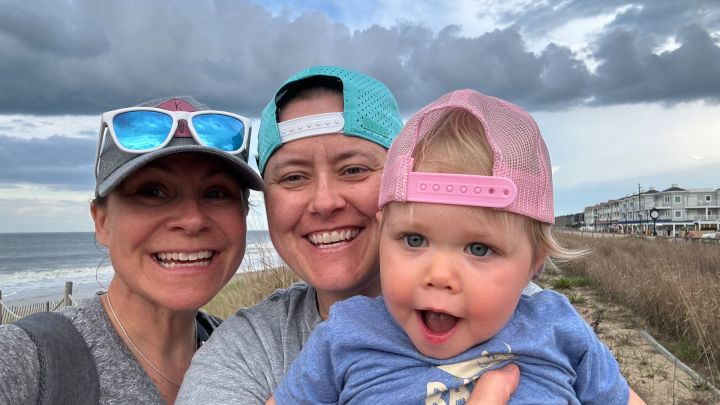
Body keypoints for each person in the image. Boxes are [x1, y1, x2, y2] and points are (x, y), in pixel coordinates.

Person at [178, 67, 531, 404]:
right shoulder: (245, 351)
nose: (325, 202)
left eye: (353, 169)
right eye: (293, 177)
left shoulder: (527, 314)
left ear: (403, 182)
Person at [269, 90, 647, 404]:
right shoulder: (346, 336)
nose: (439, 275)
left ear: (534, 264)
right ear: (382, 235)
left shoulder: (556, 328)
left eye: (479, 249)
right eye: (414, 240)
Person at [0, 96, 263, 404]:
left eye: (216, 193)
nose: (192, 220)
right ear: (102, 222)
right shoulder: (25, 363)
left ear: (244, 213)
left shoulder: (250, 357)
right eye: (153, 191)